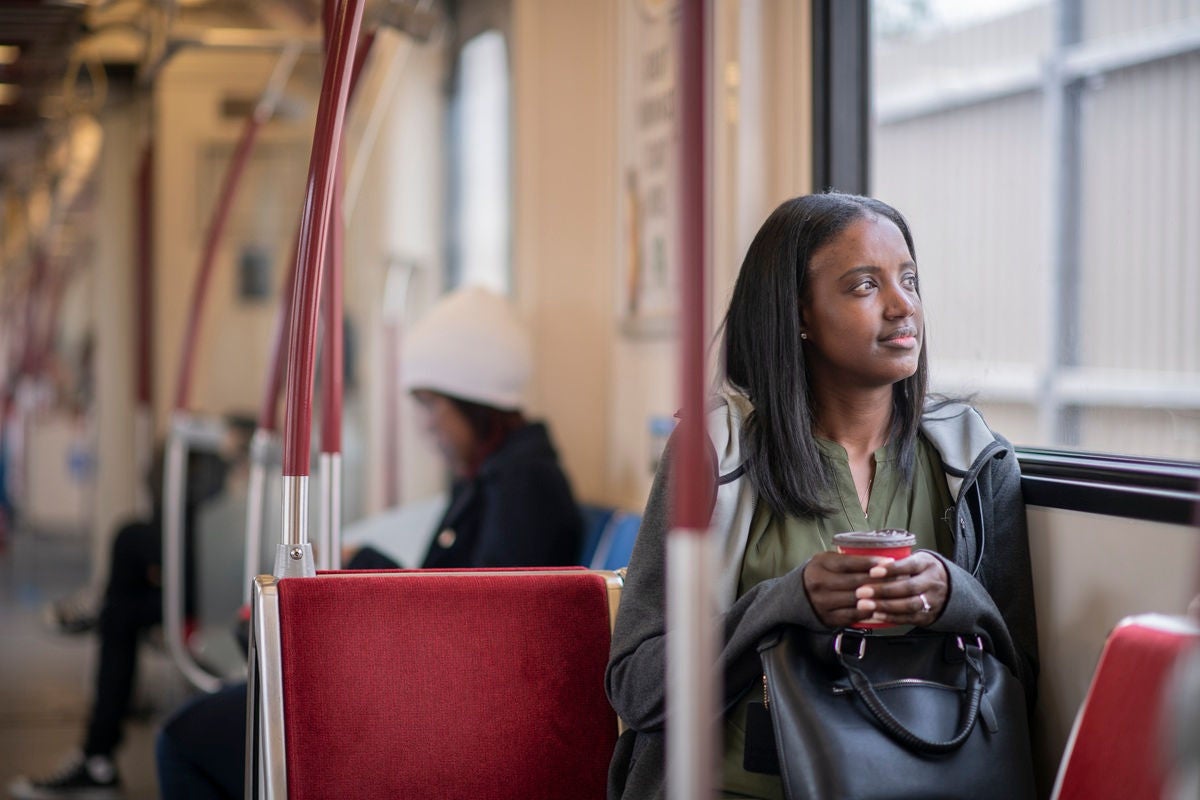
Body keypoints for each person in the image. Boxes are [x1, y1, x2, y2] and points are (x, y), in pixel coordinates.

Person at [605, 192, 1039, 799]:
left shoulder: (973, 458)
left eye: (908, 279)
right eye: (865, 286)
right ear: (798, 314)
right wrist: (783, 603)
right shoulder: (712, 453)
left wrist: (952, 592)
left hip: (925, 782)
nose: (902, 307)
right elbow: (637, 683)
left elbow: (1022, 673)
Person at [154, 285, 584, 799]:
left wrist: (362, 581)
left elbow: (480, 626)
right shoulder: (494, 476)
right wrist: (361, 565)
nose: (428, 428)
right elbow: (451, 596)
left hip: (444, 713)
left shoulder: (523, 488)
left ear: (476, 405)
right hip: (430, 685)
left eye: (432, 407)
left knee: (182, 739)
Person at [9, 442, 236, 799]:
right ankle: (97, 759)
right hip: (222, 575)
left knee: (129, 544)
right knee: (122, 614)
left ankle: (98, 758)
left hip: (232, 582)